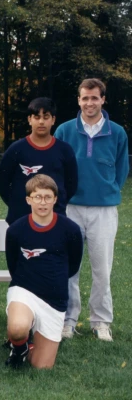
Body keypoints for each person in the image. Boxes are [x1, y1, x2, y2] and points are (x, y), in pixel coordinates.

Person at [54, 78, 129, 342]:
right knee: (69, 267)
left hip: (103, 210)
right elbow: (57, 166)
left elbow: (121, 170)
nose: (89, 103)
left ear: (103, 99)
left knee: (102, 268)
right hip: (71, 207)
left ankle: (100, 321)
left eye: (94, 98)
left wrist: (108, 190)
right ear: (78, 100)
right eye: (84, 98)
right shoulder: (64, 130)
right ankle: (67, 320)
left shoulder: (117, 132)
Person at [5, 174, 83, 368]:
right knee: (17, 328)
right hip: (24, 291)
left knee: (42, 367)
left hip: (54, 299)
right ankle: (19, 345)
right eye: (37, 196)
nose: (43, 202)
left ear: (55, 199)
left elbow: (73, 265)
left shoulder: (70, 229)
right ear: (28, 199)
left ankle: (28, 348)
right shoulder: (16, 229)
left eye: (48, 197)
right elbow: (13, 263)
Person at [0, 97, 77, 226]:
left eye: (46, 117)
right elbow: (2, 184)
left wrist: (56, 203)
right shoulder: (16, 149)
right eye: (36, 117)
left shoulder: (64, 150)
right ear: (29, 120)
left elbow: (71, 185)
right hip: (21, 218)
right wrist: (18, 204)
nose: (41, 122)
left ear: (53, 120)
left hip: (55, 219)